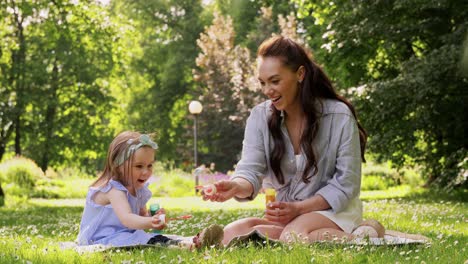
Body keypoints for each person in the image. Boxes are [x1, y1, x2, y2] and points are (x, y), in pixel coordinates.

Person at [202, 36, 382, 245]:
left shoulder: (338, 115)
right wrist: (235, 186)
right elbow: (250, 169)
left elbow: (346, 183)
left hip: (333, 210)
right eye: (262, 83)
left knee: (292, 236)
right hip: (290, 215)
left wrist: (300, 208)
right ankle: (360, 234)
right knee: (232, 232)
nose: (267, 90)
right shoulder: (259, 117)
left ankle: (369, 234)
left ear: (300, 74)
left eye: (275, 81)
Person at [77, 131, 223, 249]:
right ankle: (186, 245)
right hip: (104, 238)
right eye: (139, 166)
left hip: (127, 234)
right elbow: (127, 219)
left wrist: (153, 217)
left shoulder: (138, 189)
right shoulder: (113, 190)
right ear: (117, 166)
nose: (146, 172)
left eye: (150, 165)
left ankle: (192, 241)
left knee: (145, 238)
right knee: (140, 239)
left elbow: (141, 215)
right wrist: (150, 222)